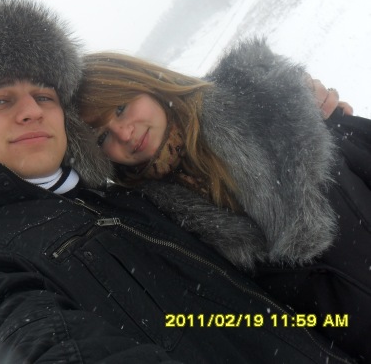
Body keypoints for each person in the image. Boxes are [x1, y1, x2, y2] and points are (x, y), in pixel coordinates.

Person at [0, 0, 355, 363]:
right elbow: (3, 335)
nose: (31, 110)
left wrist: (285, 107)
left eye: (45, 96)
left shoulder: (130, 201)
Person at [76, 46, 371, 361]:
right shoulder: (158, 226)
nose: (124, 134)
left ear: (145, 82)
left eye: (121, 108)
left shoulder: (269, 100)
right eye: (102, 137)